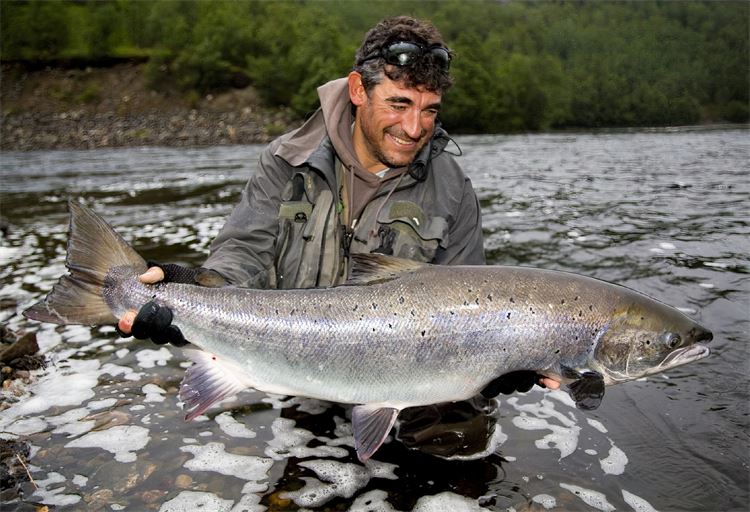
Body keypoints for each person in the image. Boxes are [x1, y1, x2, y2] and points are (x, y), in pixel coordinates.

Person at [118, 16, 559, 458]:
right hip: (300, 358)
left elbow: (470, 299)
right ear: (357, 90)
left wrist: (503, 360)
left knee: (460, 444)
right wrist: (196, 287)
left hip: (409, 370)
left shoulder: (454, 190)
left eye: (430, 110)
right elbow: (244, 250)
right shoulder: (287, 160)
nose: (413, 128)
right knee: (308, 469)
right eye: (399, 104)